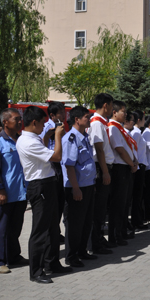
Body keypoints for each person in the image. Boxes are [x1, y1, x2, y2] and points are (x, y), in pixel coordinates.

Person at [16, 106, 71, 284]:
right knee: (40, 230)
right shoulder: (27, 141)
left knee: (53, 228)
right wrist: (56, 136)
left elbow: (44, 148)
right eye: (41, 124)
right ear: (34, 123)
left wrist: (48, 136)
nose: (43, 127)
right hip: (39, 186)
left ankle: (51, 262)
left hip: (48, 184)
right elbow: (56, 156)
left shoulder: (34, 138)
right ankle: (36, 271)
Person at [0, 108, 28, 274]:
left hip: (20, 193)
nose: (19, 122)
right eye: (16, 119)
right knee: (1, 229)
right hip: (4, 194)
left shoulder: (20, 140)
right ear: (5, 122)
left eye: (20, 119)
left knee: (15, 228)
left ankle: (14, 256)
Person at [60, 106, 96, 267]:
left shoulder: (84, 136)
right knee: (74, 223)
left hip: (88, 185)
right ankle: (71, 256)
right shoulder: (71, 139)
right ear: (77, 119)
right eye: (87, 117)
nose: (89, 120)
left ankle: (82, 251)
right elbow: (69, 166)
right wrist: (75, 188)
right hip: (77, 187)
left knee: (86, 221)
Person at [108, 100, 137, 246]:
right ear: (114, 112)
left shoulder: (120, 128)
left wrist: (134, 161)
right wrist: (131, 163)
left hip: (127, 167)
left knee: (125, 203)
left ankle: (122, 231)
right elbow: (119, 149)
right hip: (120, 168)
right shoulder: (113, 128)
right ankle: (115, 235)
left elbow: (127, 147)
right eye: (123, 111)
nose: (125, 114)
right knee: (118, 204)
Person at [88, 93, 115, 255]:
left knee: (101, 208)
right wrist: (105, 172)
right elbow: (99, 149)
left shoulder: (102, 122)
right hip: (100, 167)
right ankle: (95, 242)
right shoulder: (97, 123)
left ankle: (98, 239)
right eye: (111, 105)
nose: (112, 109)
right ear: (106, 105)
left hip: (104, 166)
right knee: (98, 209)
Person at [39, 102, 67, 244]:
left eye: (64, 112)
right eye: (60, 113)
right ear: (52, 115)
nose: (64, 115)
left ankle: (56, 232)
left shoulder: (61, 127)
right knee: (54, 203)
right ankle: (51, 234)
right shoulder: (46, 128)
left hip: (61, 166)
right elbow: (44, 147)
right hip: (52, 165)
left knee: (60, 202)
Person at [128, 111, 149, 229]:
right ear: (138, 120)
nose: (144, 121)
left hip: (141, 164)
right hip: (138, 165)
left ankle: (138, 218)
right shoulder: (135, 133)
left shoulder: (138, 132)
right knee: (137, 195)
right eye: (144, 119)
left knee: (139, 194)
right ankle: (136, 220)